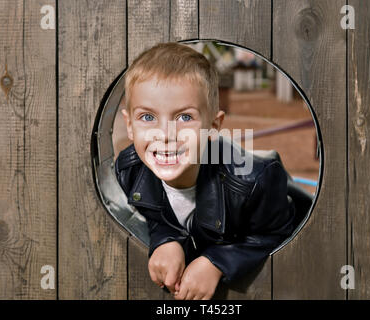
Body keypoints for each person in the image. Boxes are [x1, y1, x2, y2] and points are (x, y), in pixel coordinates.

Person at [115, 42, 295, 300]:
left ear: (213, 126)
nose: (166, 135)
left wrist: (217, 261)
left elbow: (277, 233)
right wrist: (166, 239)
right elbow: (150, 215)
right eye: (147, 117)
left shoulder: (253, 182)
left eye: (184, 117)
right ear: (129, 125)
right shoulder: (130, 171)